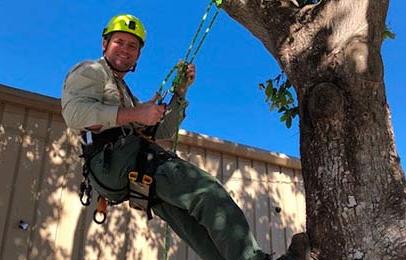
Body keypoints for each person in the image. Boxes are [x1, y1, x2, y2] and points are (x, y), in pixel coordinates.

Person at [61, 14, 307, 260]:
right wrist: (138, 113)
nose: (125, 49)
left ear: (138, 55)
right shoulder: (91, 71)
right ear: (105, 44)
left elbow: (161, 131)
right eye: (119, 42)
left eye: (132, 46)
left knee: (195, 226)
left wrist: (179, 94)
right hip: (116, 159)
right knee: (207, 192)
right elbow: (75, 114)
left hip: (126, 167)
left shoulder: (123, 91)